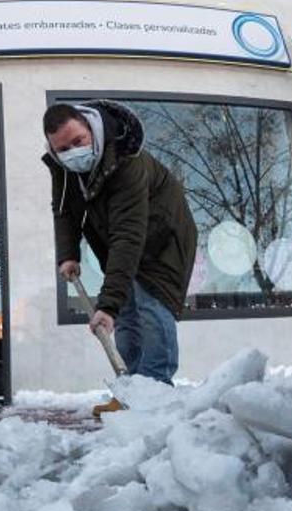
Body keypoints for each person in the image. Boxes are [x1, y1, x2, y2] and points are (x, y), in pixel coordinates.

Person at [42, 101, 197, 418]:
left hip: (163, 236)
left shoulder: (126, 159)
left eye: (78, 142)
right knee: (126, 313)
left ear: (91, 130)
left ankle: (156, 394)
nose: (72, 152)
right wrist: (68, 254)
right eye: (63, 149)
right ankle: (131, 392)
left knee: (151, 304)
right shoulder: (65, 168)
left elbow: (129, 233)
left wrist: (107, 305)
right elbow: (65, 211)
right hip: (121, 238)